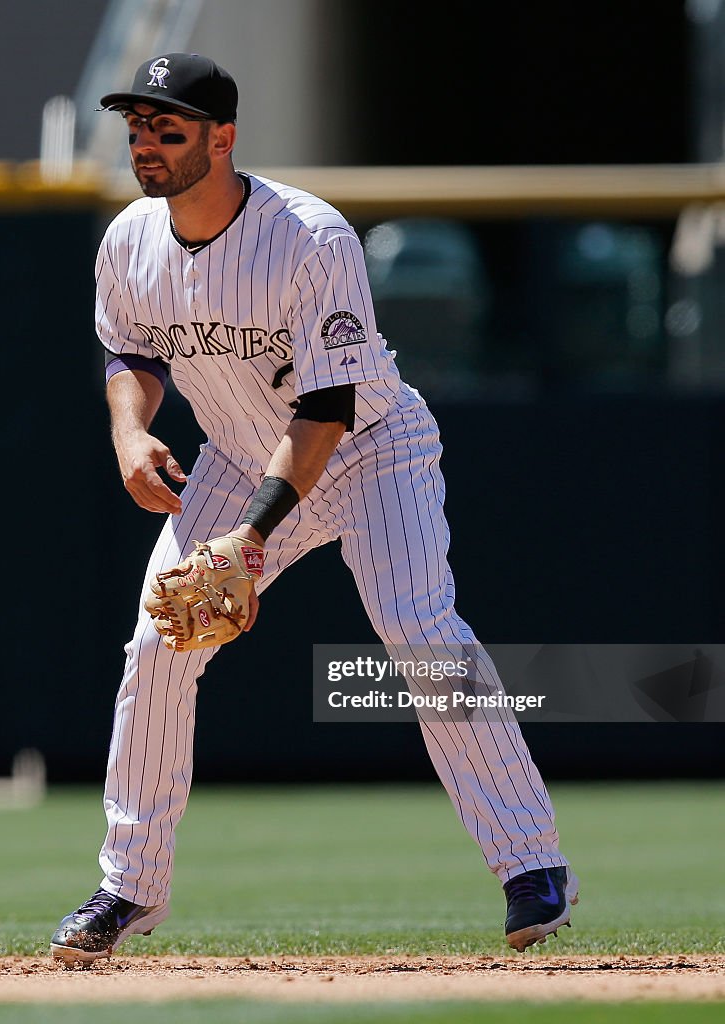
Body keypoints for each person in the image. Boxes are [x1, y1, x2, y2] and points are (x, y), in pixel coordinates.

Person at [50, 52, 578, 965]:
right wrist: (131, 436)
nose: (145, 141)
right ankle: (129, 886)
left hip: (371, 447)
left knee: (419, 628)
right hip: (234, 451)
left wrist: (246, 541)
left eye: (166, 125)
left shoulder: (310, 235)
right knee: (159, 642)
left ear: (222, 138)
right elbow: (130, 354)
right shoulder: (128, 239)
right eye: (137, 124)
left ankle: (533, 866)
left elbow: (328, 408)